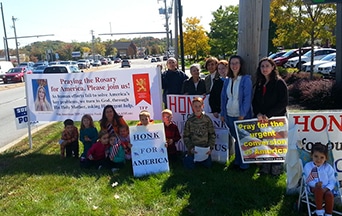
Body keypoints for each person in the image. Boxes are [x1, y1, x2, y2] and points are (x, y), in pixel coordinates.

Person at [252, 57, 288, 176]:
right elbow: (255, 102)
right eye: (262, 66)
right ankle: (265, 169)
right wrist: (258, 114)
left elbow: (283, 103)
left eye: (267, 66)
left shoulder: (279, 83)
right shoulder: (259, 83)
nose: (265, 68)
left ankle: (276, 171)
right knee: (266, 145)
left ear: (273, 67)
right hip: (262, 120)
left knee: (277, 146)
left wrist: (268, 115)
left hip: (276, 120)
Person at [220, 55, 253, 170]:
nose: (234, 65)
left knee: (243, 140)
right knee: (236, 138)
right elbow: (223, 97)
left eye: (236, 63)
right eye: (232, 63)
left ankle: (244, 164)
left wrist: (242, 114)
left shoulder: (245, 79)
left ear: (240, 65)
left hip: (241, 115)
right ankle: (237, 161)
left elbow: (247, 99)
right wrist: (223, 113)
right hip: (229, 114)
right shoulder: (227, 80)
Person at [183, 97, 216, 169]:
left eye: (199, 106)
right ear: (192, 107)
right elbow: (186, 136)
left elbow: (212, 134)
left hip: (205, 149)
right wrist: (190, 148)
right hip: (193, 149)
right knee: (189, 167)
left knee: (208, 166)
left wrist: (210, 148)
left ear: (203, 106)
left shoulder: (207, 120)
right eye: (195, 106)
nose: (198, 108)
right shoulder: (189, 121)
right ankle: (187, 156)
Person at [304, 143, 335, 216]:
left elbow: (332, 181)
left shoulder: (328, 167)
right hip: (313, 188)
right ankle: (320, 211)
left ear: (326, 158)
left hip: (326, 188)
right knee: (318, 190)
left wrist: (327, 188)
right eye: (316, 156)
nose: (318, 159)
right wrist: (315, 184)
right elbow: (307, 179)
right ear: (311, 156)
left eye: (322, 157)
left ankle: (328, 214)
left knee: (329, 195)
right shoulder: (308, 166)